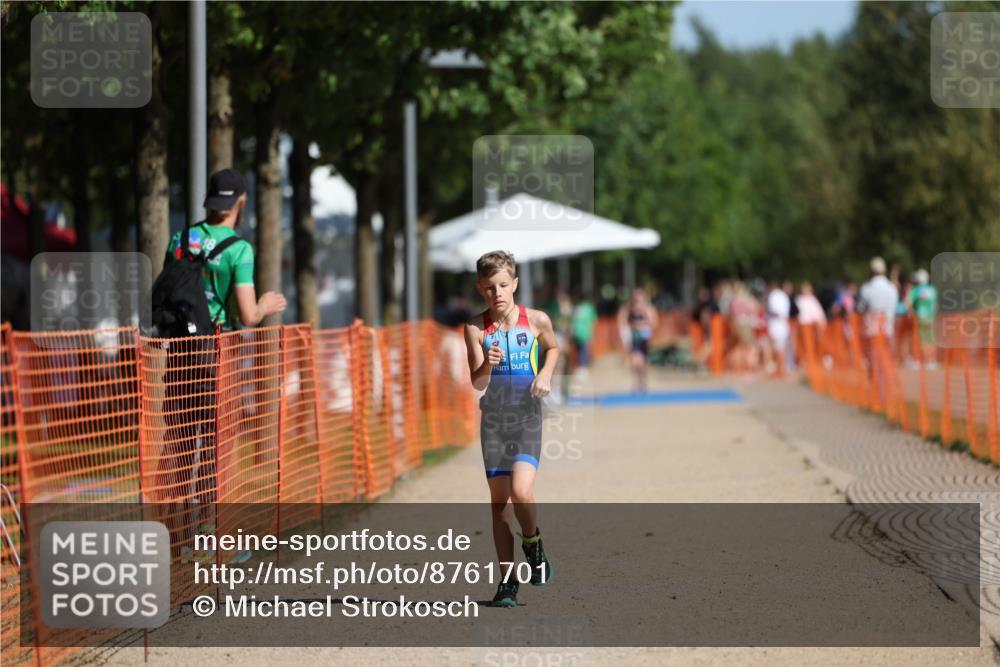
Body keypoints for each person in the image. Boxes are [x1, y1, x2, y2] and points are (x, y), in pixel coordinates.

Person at [158, 168, 287, 561]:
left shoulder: (181, 240)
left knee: (179, 448)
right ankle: (212, 539)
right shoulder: (239, 249)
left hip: (178, 353)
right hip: (217, 355)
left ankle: (177, 540)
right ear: (241, 202)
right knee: (216, 449)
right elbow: (247, 314)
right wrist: (266, 304)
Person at [464, 250, 558, 608]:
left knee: (522, 491)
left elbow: (553, 348)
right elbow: (476, 383)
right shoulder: (475, 328)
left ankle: (533, 543)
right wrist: (485, 365)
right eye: (489, 288)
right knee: (499, 506)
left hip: (527, 417)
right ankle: (507, 583)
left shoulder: (535, 320)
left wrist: (546, 374)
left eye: (503, 285)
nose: (497, 293)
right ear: (480, 289)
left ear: (515, 284)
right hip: (495, 423)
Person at [617, 288, 658, 393]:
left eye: (640, 299)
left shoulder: (648, 309)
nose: (637, 302)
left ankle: (643, 381)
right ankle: (637, 381)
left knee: (643, 361)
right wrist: (626, 335)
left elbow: (654, 322)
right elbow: (622, 321)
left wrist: (644, 326)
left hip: (644, 338)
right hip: (633, 338)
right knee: (635, 361)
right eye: (635, 299)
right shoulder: (628, 309)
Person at [765, 281, 791, 377]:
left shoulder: (774, 295)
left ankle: (779, 370)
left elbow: (774, 311)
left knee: (778, 349)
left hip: (777, 325)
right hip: (782, 325)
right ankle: (781, 369)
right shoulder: (783, 295)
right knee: (781, 348)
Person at [570, 292, 598, 373]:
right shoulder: (589, 308)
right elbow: (594, 321)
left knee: (579, 350)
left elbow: (572, 320)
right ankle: (582, 367)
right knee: (584, 350)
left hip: (576, 332)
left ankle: (579, 366)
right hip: (585, 332)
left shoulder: (576, 308)